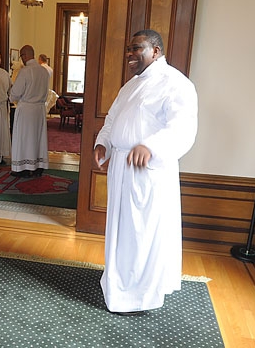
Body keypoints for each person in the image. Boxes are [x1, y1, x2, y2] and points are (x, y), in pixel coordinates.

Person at [93, 29, 198, 316]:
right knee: (121, 231)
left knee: (141, 233)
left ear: (156, 51)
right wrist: (104, 142)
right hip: (121, 168)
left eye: (137, 48)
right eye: (129, 49)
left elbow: (183, 127)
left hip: (147, 171)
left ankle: (138, 295)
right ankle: (118, 283)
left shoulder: (175, 83)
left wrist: (151, 146)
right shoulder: (130, 86)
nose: (130, 54)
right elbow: (112, 118)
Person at [9, 45, 50, 177]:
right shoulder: (44, 71)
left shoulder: (25, 71)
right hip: (39, 109)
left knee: (25, 139)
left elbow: (15, 93)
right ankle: (38, 166)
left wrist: (11, 96)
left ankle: (24, 168)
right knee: (38, 138)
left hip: (26, 109)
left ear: (24, 56)